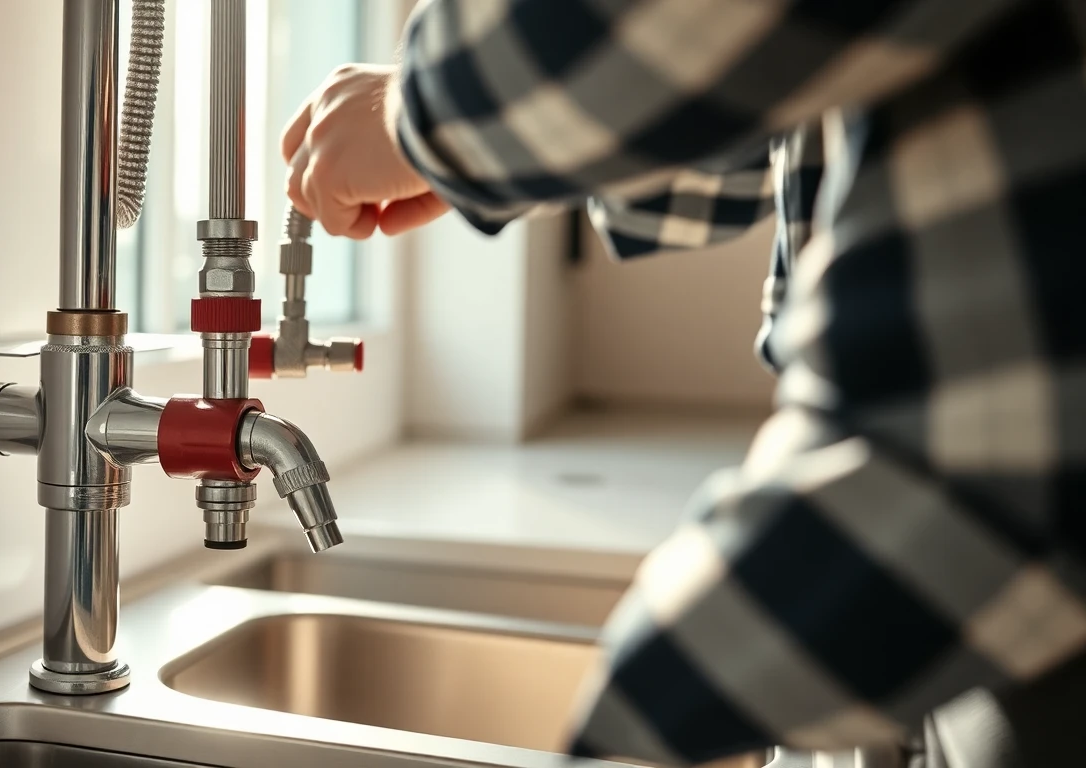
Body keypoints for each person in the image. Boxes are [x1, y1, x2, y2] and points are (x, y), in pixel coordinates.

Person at [282, 1, 1086, 766]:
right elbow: (773, 100)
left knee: (650, 725)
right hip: (1001, 518)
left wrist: (423, 114)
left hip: (1019, 506)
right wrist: (495, 150)